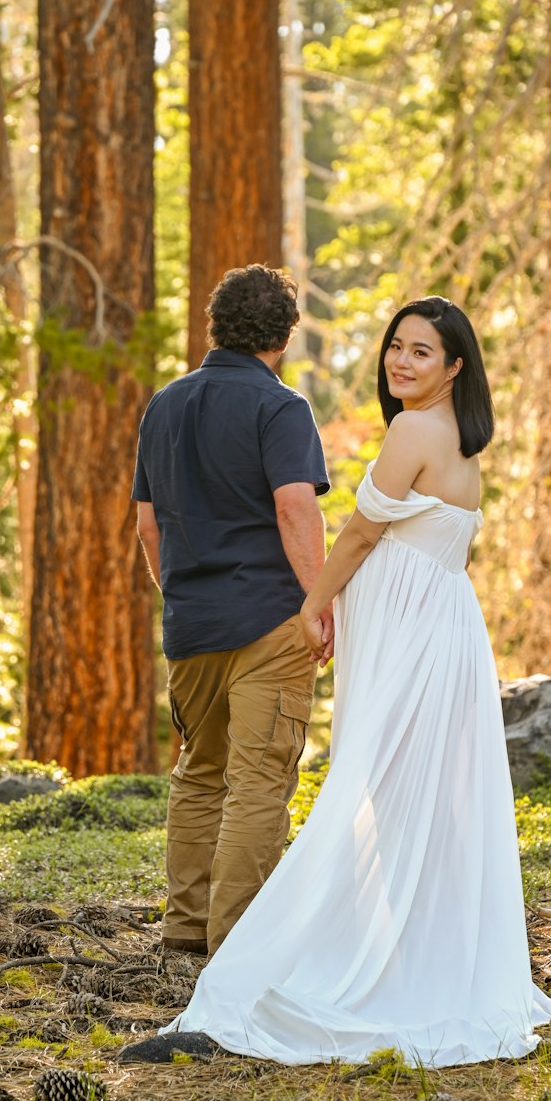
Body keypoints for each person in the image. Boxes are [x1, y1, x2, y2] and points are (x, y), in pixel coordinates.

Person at [122, 295, 551, 1067]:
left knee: (316, 781)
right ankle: (386, 944)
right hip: (431, 624)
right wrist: (316, 607)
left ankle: (236, 943)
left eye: (421, 352)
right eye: (397, 346)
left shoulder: (408, 429)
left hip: (373, 628)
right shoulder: (453, 437)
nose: (400, 361)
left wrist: (312, 605)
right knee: (388, 789)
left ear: (456, 366)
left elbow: (358, 531)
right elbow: (341, 522)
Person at [131, 264, 330, 959]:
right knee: (258, 782)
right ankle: (238, 945)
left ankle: (186, 928)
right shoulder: (281, 408)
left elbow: (148, 526)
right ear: (284, 335)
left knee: (198, 773)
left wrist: (179, 595)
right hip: (269, 619)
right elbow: (294, 506)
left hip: (192, 625)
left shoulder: (164, 404)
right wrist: (320, 599)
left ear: (215, 324)